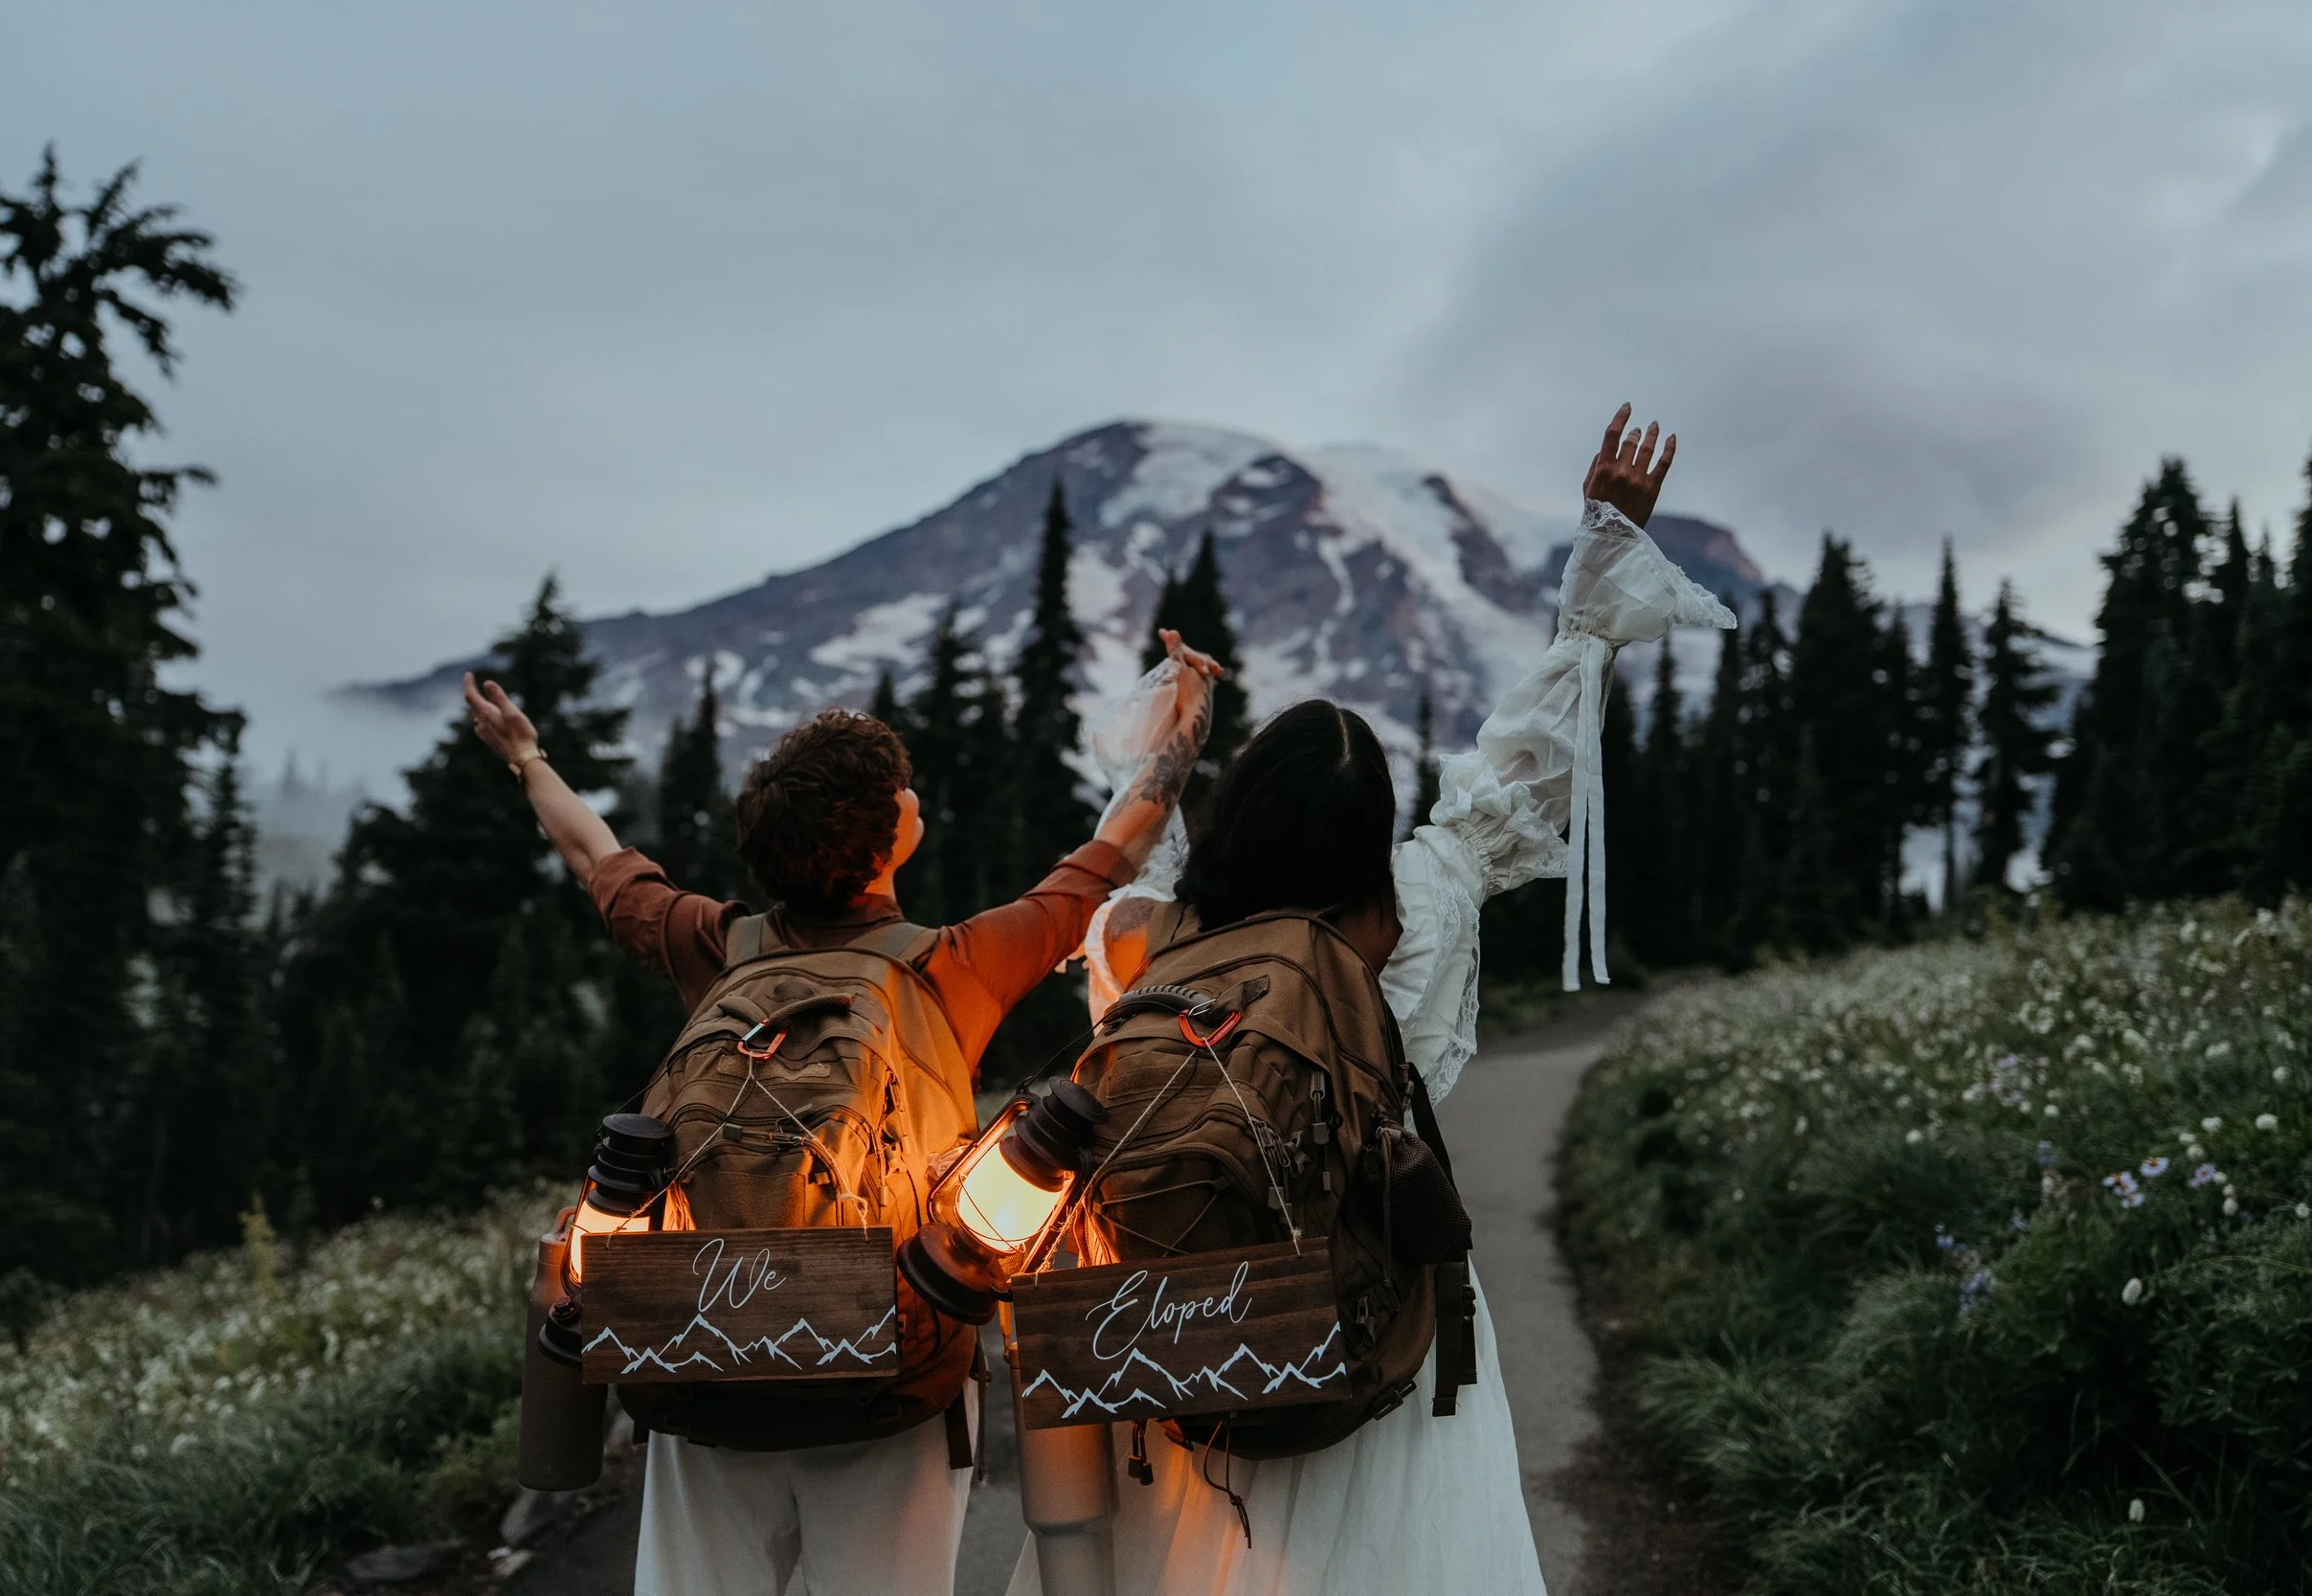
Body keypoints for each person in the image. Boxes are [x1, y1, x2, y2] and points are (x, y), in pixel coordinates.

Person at [1023, 406, 1734, 1596]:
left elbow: (1130, 849)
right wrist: (1602, 548)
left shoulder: (1153, 940)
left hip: (1181, 1343)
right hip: (1368, 1327)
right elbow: (1527, 763)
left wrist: (1171, 739)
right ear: (1368, 833)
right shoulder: (1422, 894)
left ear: (1239, 813)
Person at [463, 630, 1223, 1596]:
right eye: (903, 793)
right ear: (887, 838)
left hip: (702, 1356)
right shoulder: (956, 964)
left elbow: (594, 855)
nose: (915, 801)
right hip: (892, 1376)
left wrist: (527, 756)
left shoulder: (717, 947)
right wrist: (1183, 727)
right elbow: (1111, 854)